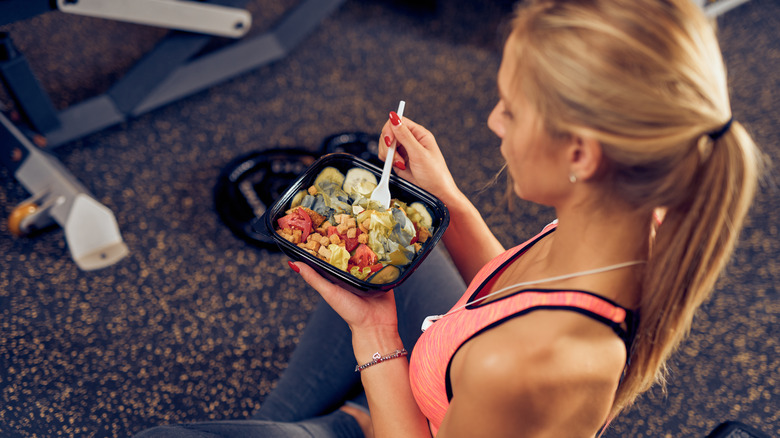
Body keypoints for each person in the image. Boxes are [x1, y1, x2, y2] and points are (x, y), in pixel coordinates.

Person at [135, 0, 762, 436]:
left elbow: (516, 337)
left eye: (511, 111)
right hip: (460, 397)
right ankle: (334, 416)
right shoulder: (632, 220)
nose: (492, 121)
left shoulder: (525, 365)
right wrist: (450, 200)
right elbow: (509, 291)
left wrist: (376, 335)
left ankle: (347, 417)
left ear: (581, 154)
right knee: (407, 246)